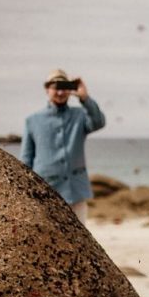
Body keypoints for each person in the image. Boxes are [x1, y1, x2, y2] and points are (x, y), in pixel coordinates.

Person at [20, 69, 106, 223]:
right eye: (55, 87)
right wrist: (25, 191)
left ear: (70, 90)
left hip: (76, 192)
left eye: (64, 87)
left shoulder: (80, 115)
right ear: (47, 89)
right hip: (45, 192)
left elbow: (98, 122)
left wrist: (85, 98)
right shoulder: (32, 120)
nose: (60, 92)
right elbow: (26, 159)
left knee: (80, 241)